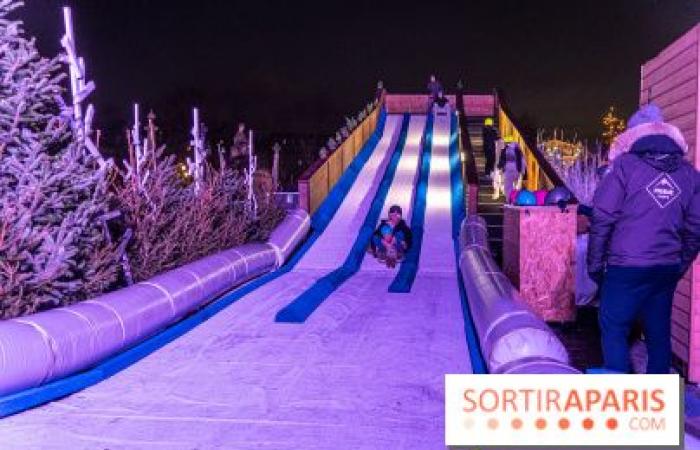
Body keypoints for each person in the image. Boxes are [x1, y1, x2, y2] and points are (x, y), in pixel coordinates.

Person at [588, 104, 700, 374]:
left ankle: (620, 402)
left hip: (626, 266)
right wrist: (678, 264)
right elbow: (695, 228)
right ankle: (658, 408)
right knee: (658, 333)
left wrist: (595, 266)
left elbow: (603, 218)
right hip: (665, 268)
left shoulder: (625, 167)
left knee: (614, 327)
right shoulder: (690, 175)